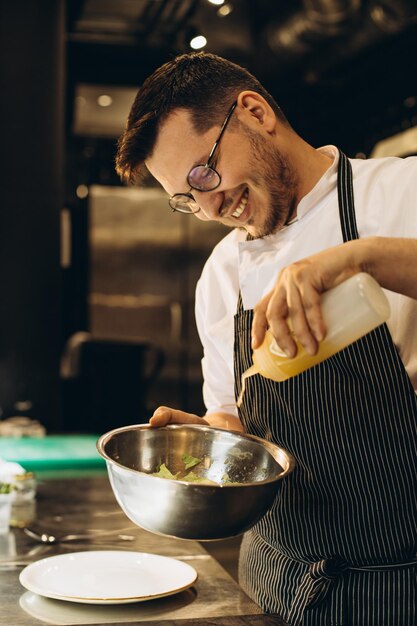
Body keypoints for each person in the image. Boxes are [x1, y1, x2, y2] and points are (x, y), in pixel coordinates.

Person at [115, 52, 417, 626]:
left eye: (205, 175)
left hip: (401, 580)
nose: (208, 208)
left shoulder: (402, 192)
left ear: (253, 112)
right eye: (185, 197)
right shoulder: (222, 273)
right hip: (272, 580)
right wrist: (212, 444)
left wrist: (365, 258)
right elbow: (234, 416)